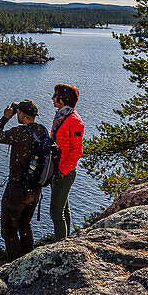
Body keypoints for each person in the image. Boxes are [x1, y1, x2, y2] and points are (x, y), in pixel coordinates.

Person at [0, 99, 48, 260]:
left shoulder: (19, 133)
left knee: (9, 228)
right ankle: (28, 259)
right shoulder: (42, 130)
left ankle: (14, 263)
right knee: (24, 224)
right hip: (35, 188)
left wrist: (5, 118)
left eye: (17, 113)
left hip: (17, 189)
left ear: (21, 113)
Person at [49, 83, 84, 240]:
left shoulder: (74, 121)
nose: (52, 98)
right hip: (57, 170)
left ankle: (60, 247)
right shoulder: (61, 116)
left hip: (65, 172)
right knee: (63, 209)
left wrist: (62, 172)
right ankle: (66, 242)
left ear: (63, 99)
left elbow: (77, 151)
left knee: (56, 212)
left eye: (55, 96)